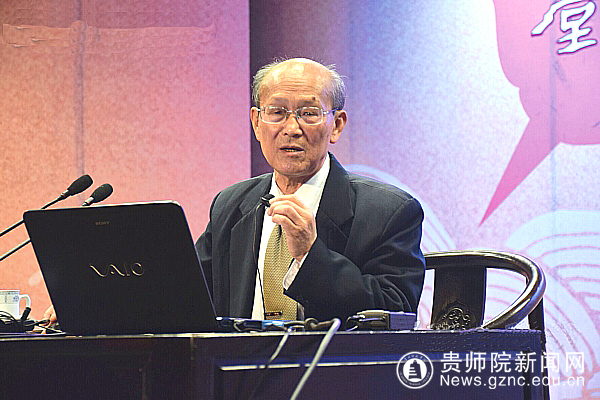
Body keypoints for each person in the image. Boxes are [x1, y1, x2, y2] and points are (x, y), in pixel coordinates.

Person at [44, 57, 425, 326]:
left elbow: (396, 312)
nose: (291, 128)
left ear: (336, 125)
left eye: (309, 113)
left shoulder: (389, 211)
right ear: (257, 122)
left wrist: (310, 255)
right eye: (277, 112)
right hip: (236, 373)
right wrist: (92, 306)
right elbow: (182, 292)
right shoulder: (232, 204)